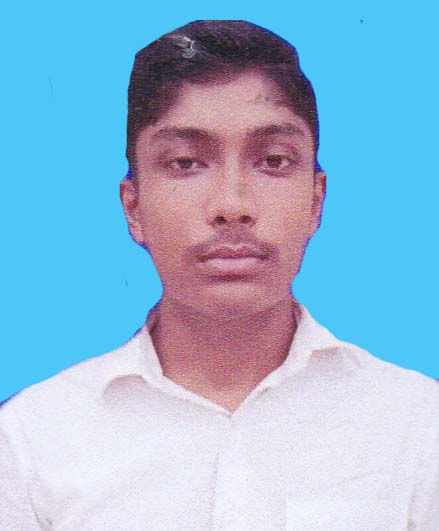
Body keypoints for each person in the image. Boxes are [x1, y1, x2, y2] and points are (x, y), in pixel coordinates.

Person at [0, 19, 438, 531]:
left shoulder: (418, 428)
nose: (232, 206)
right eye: (186, 163)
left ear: (316, 201)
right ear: (133, 207)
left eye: (273, 161)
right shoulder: (31, 442)